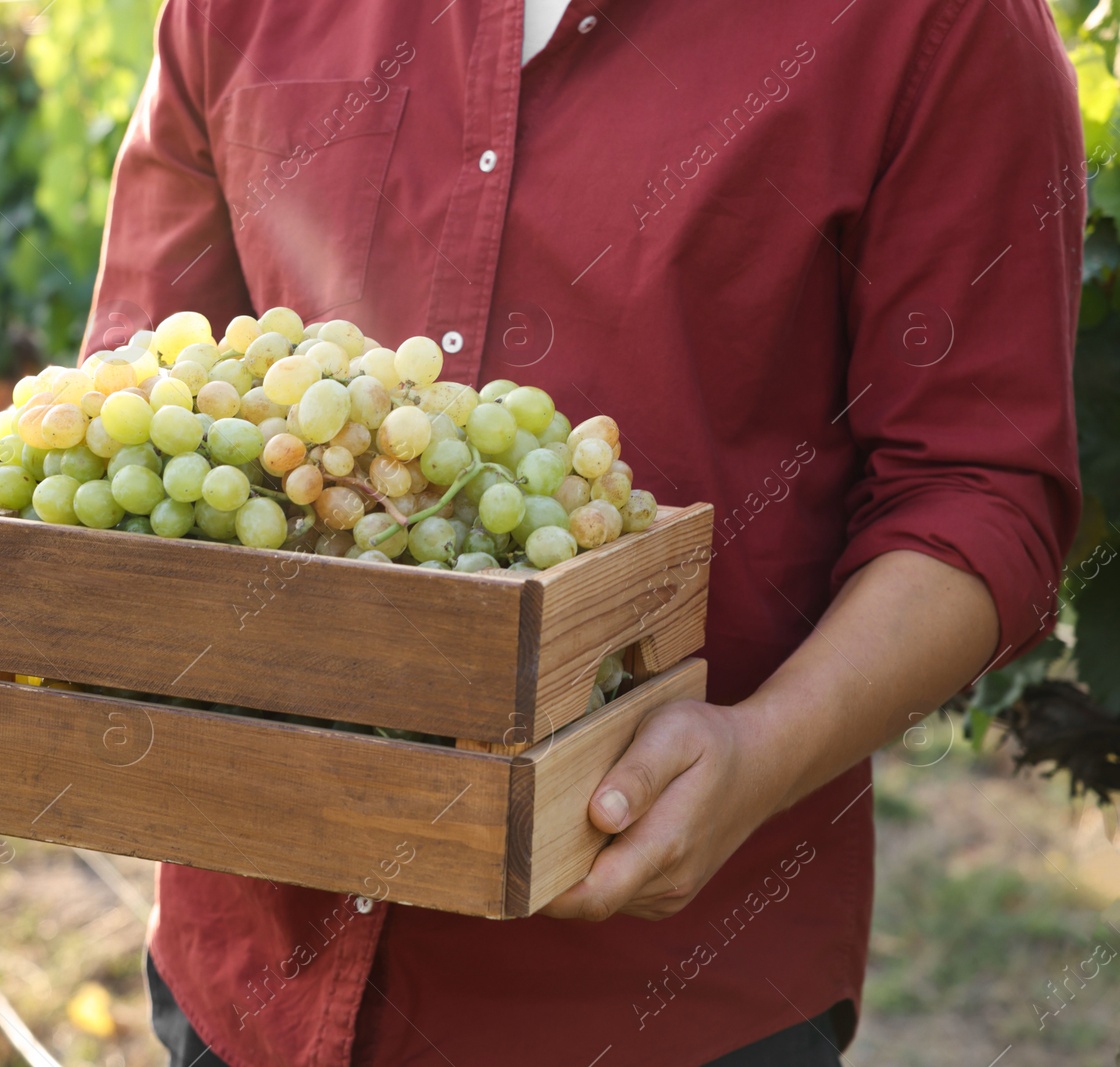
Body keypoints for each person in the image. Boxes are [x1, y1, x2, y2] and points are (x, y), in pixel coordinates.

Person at [80, 0, 1084, 1062]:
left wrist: (761, 748)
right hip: (246, 972)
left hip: (658, 1001)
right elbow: (139, 391)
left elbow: (978, 492)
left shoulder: (939, 23)